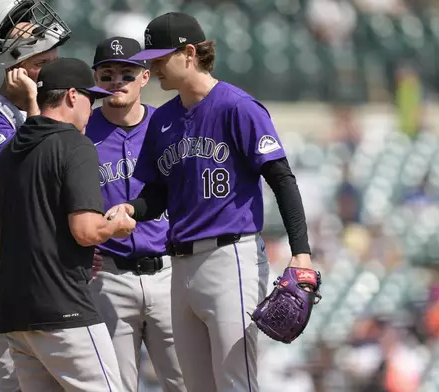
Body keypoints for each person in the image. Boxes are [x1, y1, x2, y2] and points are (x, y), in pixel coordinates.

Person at [107, 12, 316, 392]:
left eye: (159, 58)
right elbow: (157, 193)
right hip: (180, 265)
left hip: (229, 257)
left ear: (189, 53)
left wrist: (301, 252)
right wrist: (133, 209)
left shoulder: (238, 107)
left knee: (236, 381)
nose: (152, 69)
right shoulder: (163, 120)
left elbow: (281, 178)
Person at [0, 57, 135, 392]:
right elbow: (85, 231)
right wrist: (116, 226)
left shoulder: (9, 152)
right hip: (63, 308)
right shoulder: (74, 144)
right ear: (71, 95)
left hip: (16, 316)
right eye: (90, 98)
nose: (92, 108)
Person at [0, 1, 71, 390]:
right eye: (42, 63)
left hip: (47, 269)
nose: (51, 71)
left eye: (54, 60)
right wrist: (38, 106)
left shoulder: (58, 112)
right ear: (16, 68)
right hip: (0, 269)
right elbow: (28, 170)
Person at [86, 37, 185, 392]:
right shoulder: (81, 131)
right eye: (107, 73)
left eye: (127, 73)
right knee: (114, 386)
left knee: (186, 382)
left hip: (168, 272)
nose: (117, 81)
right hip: (109, 275)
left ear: (144, 77)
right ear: (95, 78)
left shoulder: (168, 126)